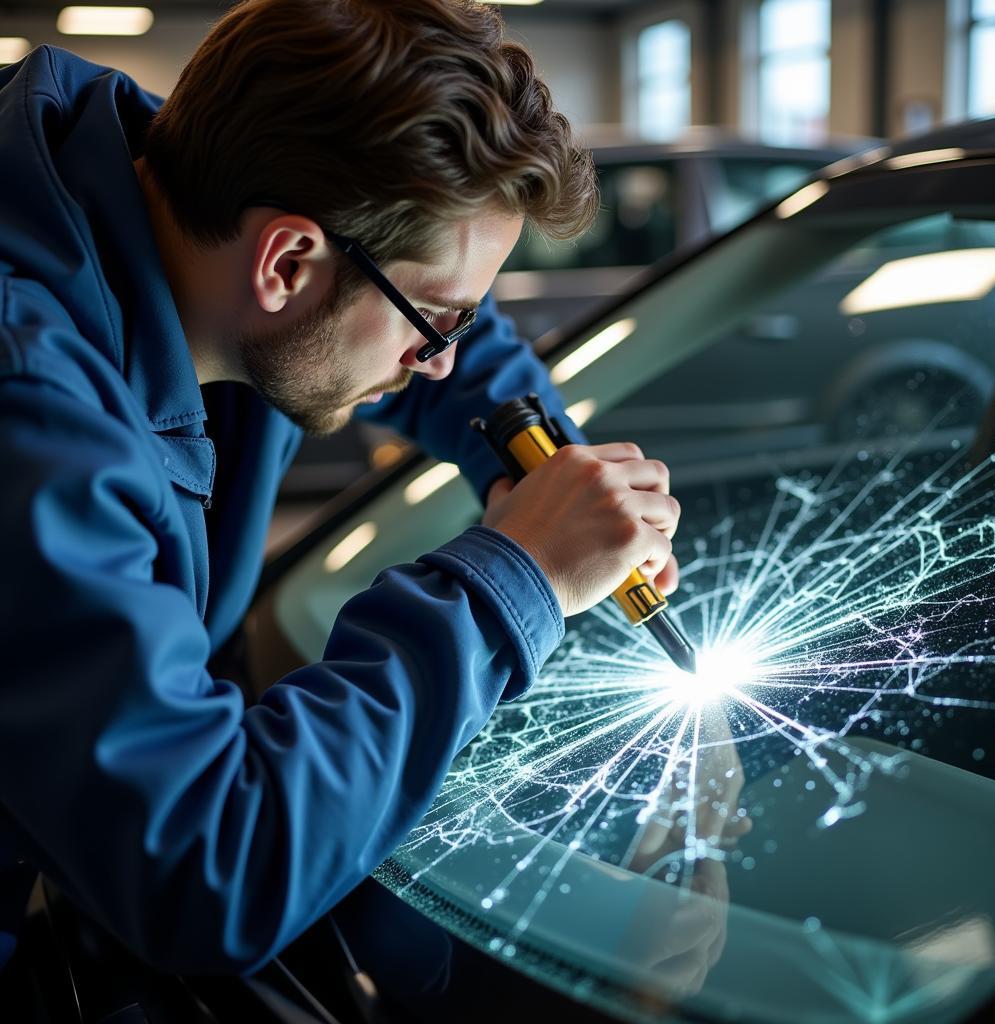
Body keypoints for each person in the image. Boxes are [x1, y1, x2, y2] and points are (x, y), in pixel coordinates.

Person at [0, 0, 681, 978]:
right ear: (287, 262)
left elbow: (453, 337)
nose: (440, 363)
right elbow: (204, 867)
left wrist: (547, 466)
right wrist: (516, 577)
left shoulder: (178, 179)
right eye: (432, 323)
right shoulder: (33, 409)